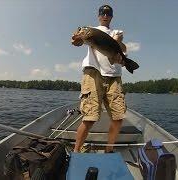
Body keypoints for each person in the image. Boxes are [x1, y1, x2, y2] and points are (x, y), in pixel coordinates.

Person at [71, 5, 127, 153]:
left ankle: (109, 150)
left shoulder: (117, 32)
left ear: (112, 16)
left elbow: (122, 48)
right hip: (93, 73)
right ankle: (76, 151)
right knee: (89, 118)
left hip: (114, 77)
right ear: (98, 15)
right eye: (102, 13)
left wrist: (119, 47)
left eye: (108, 13)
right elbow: (76, 42)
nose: (105, 15)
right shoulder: (89, 30)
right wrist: (77, 38)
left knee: (118, 118)